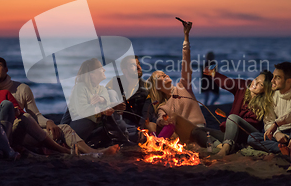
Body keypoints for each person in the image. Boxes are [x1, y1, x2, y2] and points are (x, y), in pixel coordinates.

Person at [0, 55, 119, 155]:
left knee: (64, 128)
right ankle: (74, 150)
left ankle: (92, 152)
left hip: (21, 132)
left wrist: (48, 121)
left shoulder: (22, 89)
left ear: (6, 69)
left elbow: (35, 115)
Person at [145, 20, 223, 148]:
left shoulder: (183, 86)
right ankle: (157, 145)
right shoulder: (163, 106)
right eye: (160, 76)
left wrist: (186, 37)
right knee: (159, 123)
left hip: (201, 130)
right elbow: (161, 117)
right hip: (186, 135)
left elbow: (186, 64)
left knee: (226, 137)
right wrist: (160, 121)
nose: (165, 75)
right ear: (157, 86)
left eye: (164, 73)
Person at [207, 66, 275, 156]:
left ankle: (225, 150)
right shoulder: (243, 85)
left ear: (265, 89)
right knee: (199, 132)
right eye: (256, 79)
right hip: (232, 133)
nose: (255, 83)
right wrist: (214, 74)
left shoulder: (266, 100)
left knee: (233, 118)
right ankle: (226, 146)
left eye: (260, 84)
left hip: (249, 134)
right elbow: (228, 83)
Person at [249, 62, 291, 154]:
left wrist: (276, 124)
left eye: (277, 78)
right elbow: (268, 122)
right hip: (280, 133)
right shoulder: (272, 95)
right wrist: (276, 134)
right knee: (252, 138)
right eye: (273, 77)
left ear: (288, 81)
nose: (272, 81)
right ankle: (285, 149)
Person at [68, 58, 126, 144]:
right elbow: (82, 111)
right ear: (91, 74)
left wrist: (115, 105)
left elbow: (106, 103)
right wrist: (102, 112)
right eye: (100, 68)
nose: (104, 69)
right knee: (89, 121)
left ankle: (120, 138)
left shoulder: (101, 88)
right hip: (78, 126)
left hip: (94, 125)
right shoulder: (80, 88)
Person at [105, 55, 149, 133]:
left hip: (135, 126)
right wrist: (114, 105)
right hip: (115, 120)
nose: (138, 67)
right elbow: (103, 100)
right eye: (133, 65)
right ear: (124, 70)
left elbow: (147, 114)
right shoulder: (115, 82)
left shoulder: (146, 88)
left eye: (138, 64)